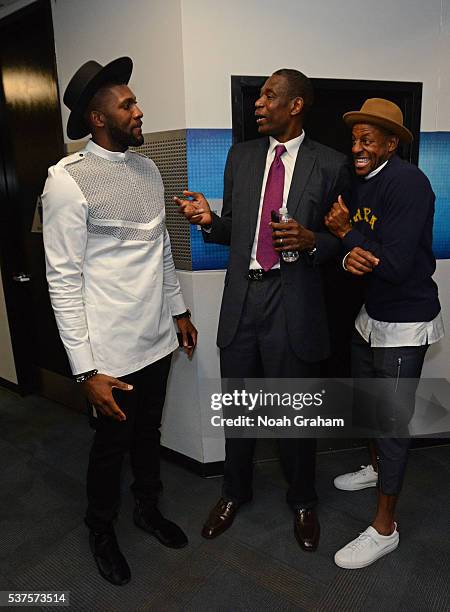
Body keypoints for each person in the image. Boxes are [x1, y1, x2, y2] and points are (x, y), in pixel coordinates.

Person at [175, 69, 350, 551]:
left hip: (293, 300)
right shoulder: (242, 155)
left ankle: (302, 500)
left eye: (270, 96)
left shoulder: (331, 164)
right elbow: (236, 227)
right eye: (259, 95)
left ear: (296, 105)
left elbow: (345, 240)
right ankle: (234, 492)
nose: (259, 103)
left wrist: (315, 240)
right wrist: (211, 221)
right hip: (243, 298)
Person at [42, 57, 197, 586]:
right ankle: (100, 527)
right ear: (97, 117)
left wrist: (178, 311)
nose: (139, 110)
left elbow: (162, 248)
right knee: (111, 447)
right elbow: (62, 281)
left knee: (149, 433)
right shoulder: (67, 183)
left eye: (135, 101)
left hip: (156, 337)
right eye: (127, 104)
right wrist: (85, 371)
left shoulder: (148, 169)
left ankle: (147, 509)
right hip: (109, 352)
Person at [325, 98, 444, 569]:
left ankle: (385, 529)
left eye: (368, 139)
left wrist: (348, 235)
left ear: (391, 144)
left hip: (405, 320)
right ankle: (376, 469)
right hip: (371, 315)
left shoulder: (409, 184)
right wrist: (347, 250)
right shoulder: (360, 181)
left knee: (392, 425)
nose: (358, 146)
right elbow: (357, 250)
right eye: (355, 138)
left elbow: (391, 263)